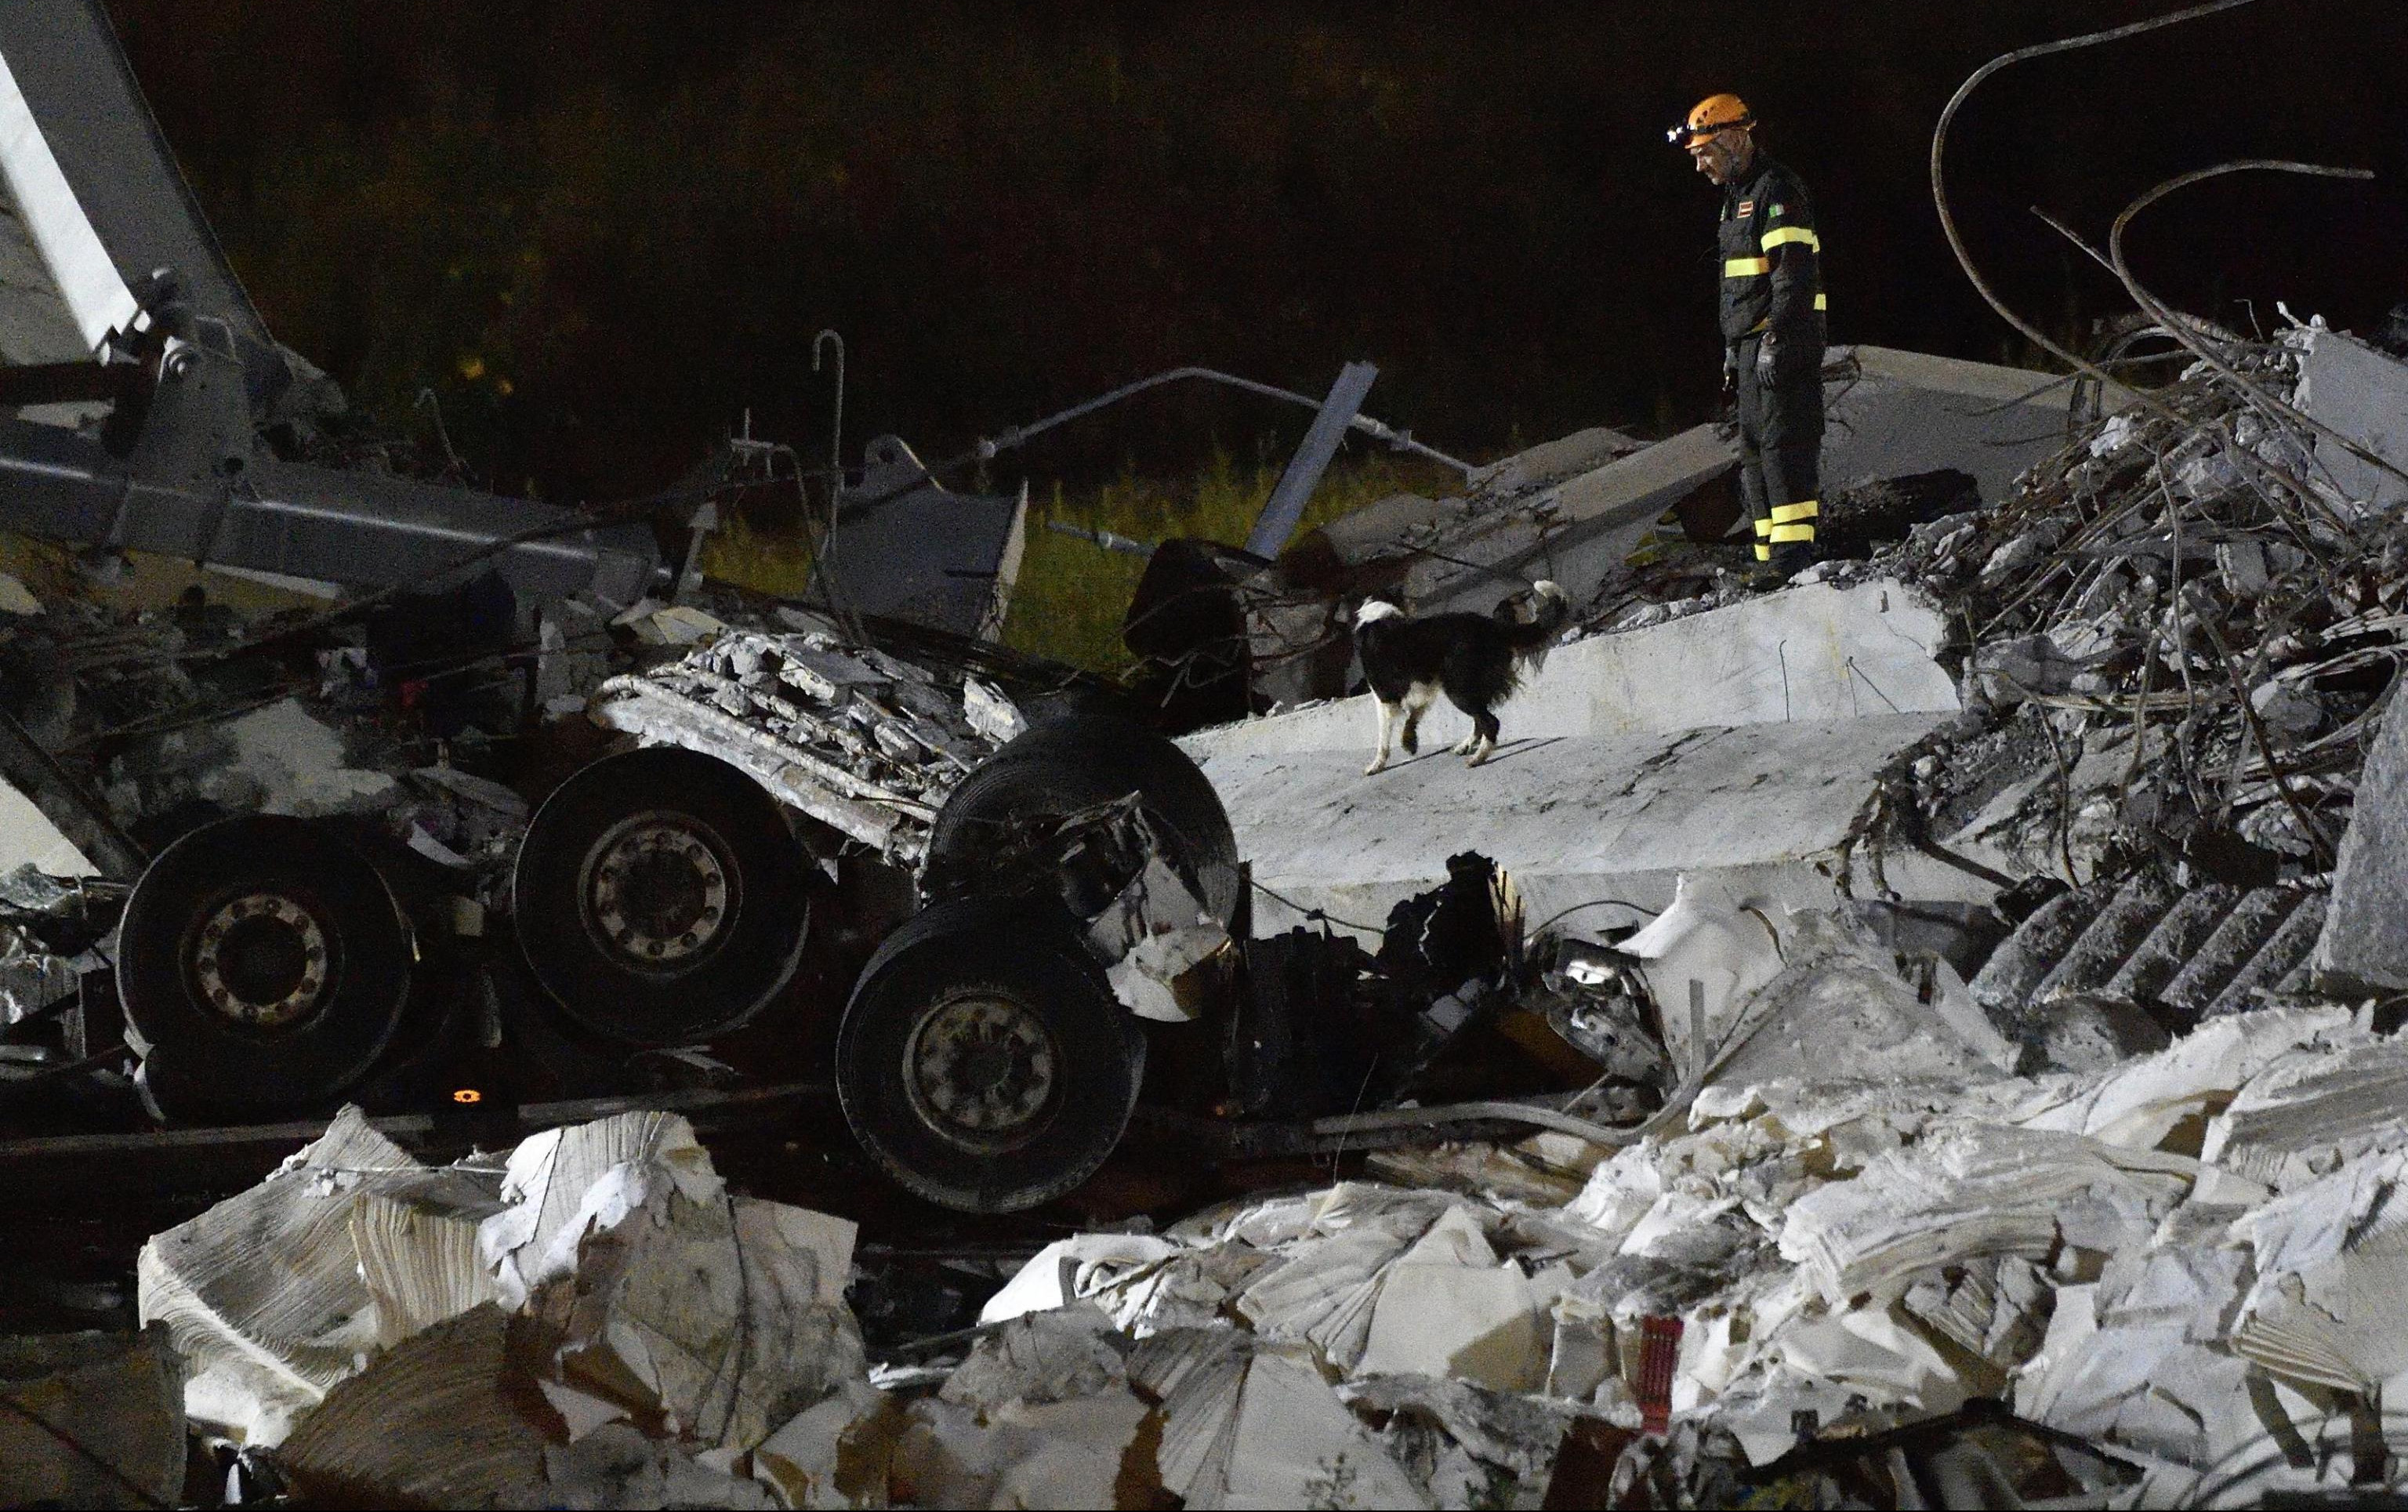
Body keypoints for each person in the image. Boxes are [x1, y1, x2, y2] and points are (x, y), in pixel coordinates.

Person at [1668, 93, 1826, 580]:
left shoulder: (1776, 190)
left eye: (1705, 153)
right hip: (1751, 346)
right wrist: (1734, 349)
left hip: (1782, 341)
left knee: (1783, 450)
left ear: (1736, 139)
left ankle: (1794, 559)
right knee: (1755, 454)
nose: (1701, 166)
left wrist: (1777, 337)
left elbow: (1792, 274)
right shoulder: (1736, 199)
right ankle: (1767, 561)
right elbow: (1741, 285)